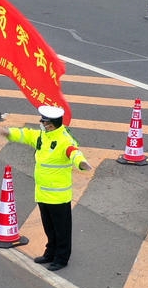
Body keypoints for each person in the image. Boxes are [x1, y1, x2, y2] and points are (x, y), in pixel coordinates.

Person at [5, 105, 90, 271]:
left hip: (58, 196)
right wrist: (10, 133)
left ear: (51, 124)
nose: (41, 123)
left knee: (62, 229)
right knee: (49, 227)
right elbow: (26, 134)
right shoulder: (43, 136)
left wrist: (81, 163)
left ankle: (61, 258)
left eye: (43, 121)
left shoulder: (64, 139)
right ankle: (50, 252)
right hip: (43, 192)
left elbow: (73, 152)